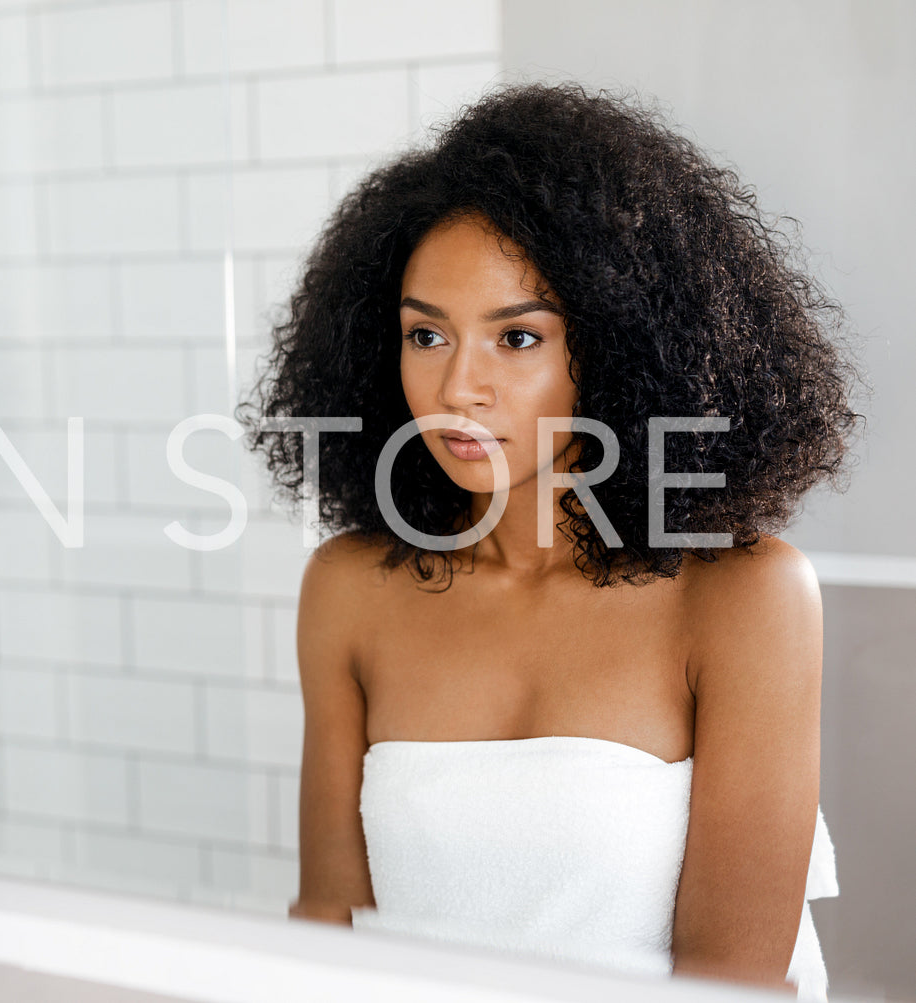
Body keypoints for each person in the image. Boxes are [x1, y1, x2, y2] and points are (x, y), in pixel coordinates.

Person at [235, 81, 866, 1000]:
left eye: (517, 338)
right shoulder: (350, 587)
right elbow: (331, 930)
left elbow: (731, 983)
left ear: (621, 345)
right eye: (425, 333)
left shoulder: (741, 595)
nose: (458, 387)